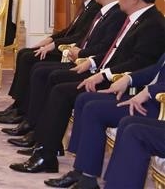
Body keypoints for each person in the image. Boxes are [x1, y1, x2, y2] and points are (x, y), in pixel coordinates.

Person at [9, 0, 165, 174]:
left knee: (64, 91)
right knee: (60, 84)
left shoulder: (153, 24)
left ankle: (49, 154)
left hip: (120, 83)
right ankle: (51, 150)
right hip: (104, 72)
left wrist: (105, 74)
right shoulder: (136, 18)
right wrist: (92, 62)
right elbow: (113, 49)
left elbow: (140, 62)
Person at [4, 0, 126, 147]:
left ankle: (38, 131)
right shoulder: (103, 11)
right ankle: (31, 122)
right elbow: (82, 35)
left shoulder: (115, 14)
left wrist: (81, 55)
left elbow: (107, 48)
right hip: (82, 58)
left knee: (45, 73)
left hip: (92, 66)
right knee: (39, 67)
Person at [0, 0, 101, 125]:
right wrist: (50, 39)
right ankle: (19, 104)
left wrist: (54, 45)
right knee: (25, 53)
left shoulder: (95, 7)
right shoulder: (87, 4)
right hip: (65, 45)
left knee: (30, 58)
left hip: (71, 50)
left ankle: (22, 109)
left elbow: (79, 36)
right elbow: (69, 30)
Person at [43, 52, 165, 189]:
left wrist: (150, 91)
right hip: (149, 100)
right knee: (87, 101)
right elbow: (156, 70)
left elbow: (141, 61)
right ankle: (84, 175)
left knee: (110, 117)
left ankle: (87, 179)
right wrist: (128, 79)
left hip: (159, 106)